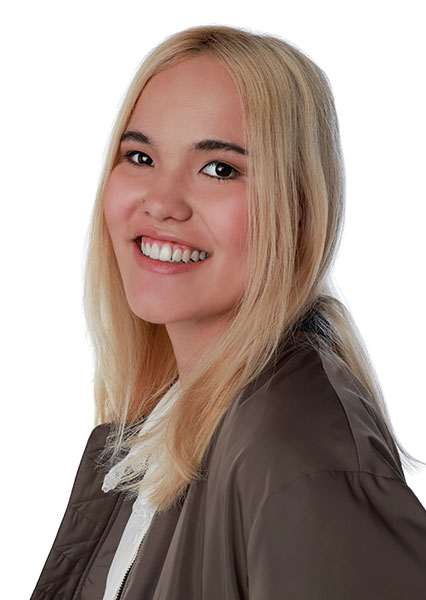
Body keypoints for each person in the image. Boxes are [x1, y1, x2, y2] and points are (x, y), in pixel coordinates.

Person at [31, 24, 426, 600]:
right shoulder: (169, 427)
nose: (161, 202)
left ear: (298, 208)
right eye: (140, 156)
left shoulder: (296, 455)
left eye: (220, 168)